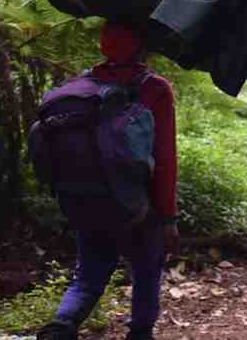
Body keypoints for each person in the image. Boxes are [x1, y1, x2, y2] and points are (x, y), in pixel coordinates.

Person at [37, 22, 180, 340]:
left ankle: (60, 328)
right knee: (146, 271)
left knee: (87, 277)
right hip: (138, 207)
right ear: (144, 45)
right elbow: (165, 158)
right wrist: (167, 216)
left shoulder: (81, 86)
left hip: (87, 200)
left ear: (103, 45)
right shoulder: (155, 88)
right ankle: (140, 333)